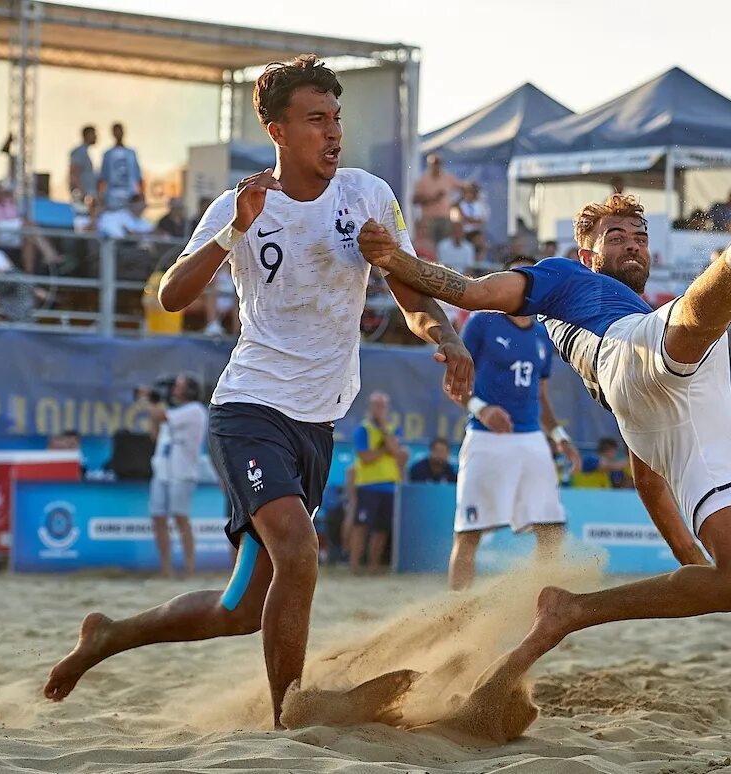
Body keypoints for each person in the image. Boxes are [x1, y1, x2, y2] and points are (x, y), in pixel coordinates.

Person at [42, 55, 472, 729]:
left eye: (336, 119)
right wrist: (234, 229)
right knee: (300, 551)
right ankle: (288, 716)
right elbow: (172, 295)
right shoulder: (244, 204)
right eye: (314, 120)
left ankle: (108, 635)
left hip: (317, 421)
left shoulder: (368, 194)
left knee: (240, 610)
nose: (332, 133)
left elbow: (412, 296)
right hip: (249, 409)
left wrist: (444, 339)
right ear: (276, 130)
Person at [357, 165, 731, 737]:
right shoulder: (563, 279)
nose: (632, 243)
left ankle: (568, 612)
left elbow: (647, 474)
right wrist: (398, 262)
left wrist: (689, 563)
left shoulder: (629, 313)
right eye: (616, 236)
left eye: (640, 236)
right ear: (586, 252)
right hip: (630, 355)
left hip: (661, 409)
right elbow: (473, 293)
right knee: (693, 329)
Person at [449, 257, 582, 590]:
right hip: (485, 439)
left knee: (552, 530)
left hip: (531, 440)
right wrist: (482, 409)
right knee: (468, 533)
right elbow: (453, 384)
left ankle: (539, 608)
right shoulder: (482, 323)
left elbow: (542, 397)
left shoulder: (541, 335)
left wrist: (559, 436)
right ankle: (455, 616)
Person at [140, 374, 209, 578]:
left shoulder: (195, 410)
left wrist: (148, 400)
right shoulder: (173, 411)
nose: (173, 390)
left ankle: (189, 568)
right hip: (162, 471)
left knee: (180, 518)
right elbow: (155, 435)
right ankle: (166, 569)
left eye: (178, 386)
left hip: (182, 472)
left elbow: (160, 416)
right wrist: (154, 408)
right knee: (158, 518)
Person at [350, 391, 408, 574]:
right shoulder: (363, 429)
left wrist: (383, 429)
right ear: (370, 407)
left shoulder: (393, 428)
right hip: (368, 484)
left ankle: (373, 567)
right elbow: (366, 457)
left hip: (390, 486)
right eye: (376, 405)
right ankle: (355, 566)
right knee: (361, 526)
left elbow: (396, 451)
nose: (379, 409)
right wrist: (385, 449)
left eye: (382, 406)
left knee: (381, 529)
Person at [413, 153, 463, 243]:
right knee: (430, 245)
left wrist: (456, 203)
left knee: (445, 244)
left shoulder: (447, 178)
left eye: (438, 164)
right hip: (429, 219)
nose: (436, 166)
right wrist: (433, 198)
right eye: (434, 164)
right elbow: (415, 200)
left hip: (445, 217)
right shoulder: (423, 180)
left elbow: (462, 187)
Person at [98, 122, 144, 210]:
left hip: (130, 193)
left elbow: (138, 176)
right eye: (116, 131)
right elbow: (103, 177)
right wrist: (101, 195)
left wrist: (141, 193)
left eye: (120, 131)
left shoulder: (131, 153)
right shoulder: (108, 154)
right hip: (113, 194)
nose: (118, 133)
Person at [68, 125, 98, 204]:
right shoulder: (79, 152)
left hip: (89, 194)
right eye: (93, 134)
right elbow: (73, 173)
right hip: (83, 195)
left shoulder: (85, 152)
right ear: (87, 135)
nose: (96, 136)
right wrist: (80, 192)